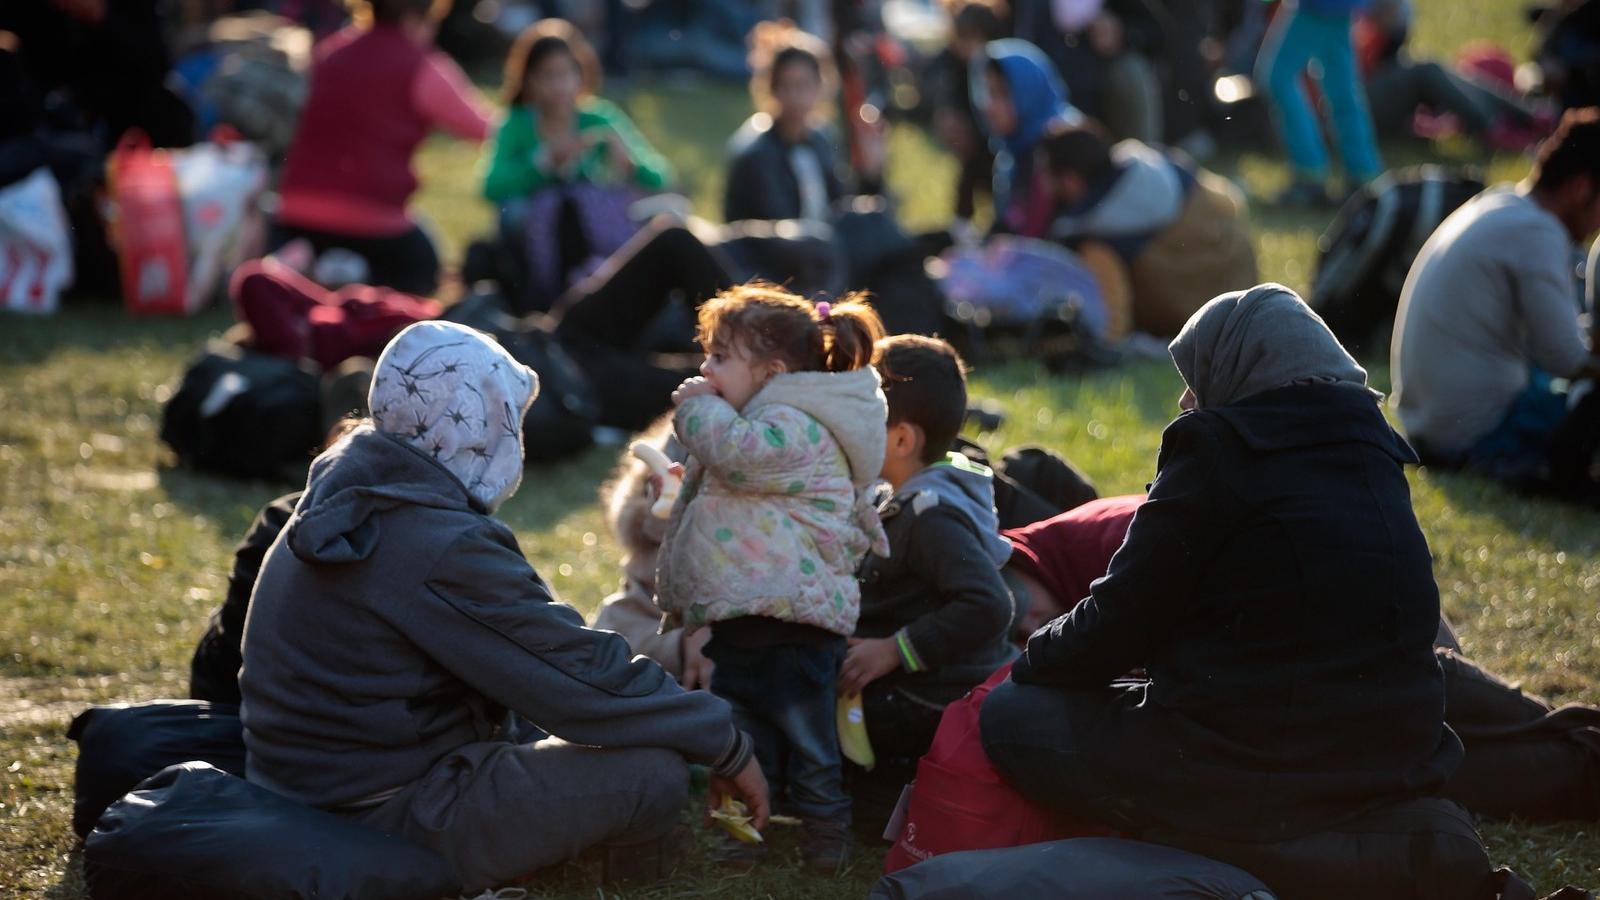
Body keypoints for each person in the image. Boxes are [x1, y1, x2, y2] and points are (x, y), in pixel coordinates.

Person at [239, 320, 769, 893]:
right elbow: (577, 679)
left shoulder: (355, 482)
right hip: (380, 816)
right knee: (651, 774)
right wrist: (725, 742)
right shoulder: (433, 538)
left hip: (303, 791)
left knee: (603, 727)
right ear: (477, 421)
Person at [981, 284, 1463, 847]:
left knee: (1012, 714)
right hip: (1387, 760)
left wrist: (1034, 656)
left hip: (1253, 769)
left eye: (1198, 375)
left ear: (1244, 365)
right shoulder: (1375, 450)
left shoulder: (1218, 448)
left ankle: (1184, 836)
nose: (1188, 400)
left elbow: (1118, 622)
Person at [655, 286, 888, 873]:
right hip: (749, 619)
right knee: (743, 742)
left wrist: (695, 409)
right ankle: (742, 834)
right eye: (706, 355)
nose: (705, 369)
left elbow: (740, 454)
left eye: (719, 358)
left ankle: (826, 833)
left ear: (772, 371)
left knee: (812, 746)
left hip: (797, 628)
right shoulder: (763, 417)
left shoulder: (796, 426)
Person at [1390, 108, 1600, 498]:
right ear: (1581, 188)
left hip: (1427, 424)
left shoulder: (1501, 204)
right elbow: (1566, 359)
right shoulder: (1538, 233)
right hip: (1476, 432)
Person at [842, 335, 1017, 795]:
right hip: (911, 683)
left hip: (935, 697)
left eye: (860, 417)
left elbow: (989, 605)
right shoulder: (894, 494)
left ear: (901, 439)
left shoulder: (931, 514)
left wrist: (892, 650)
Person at [271, 0, 493, 296]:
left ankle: (315, 272)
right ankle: (352, 279)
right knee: (424, 264)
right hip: (374, 222)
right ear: (421, 15)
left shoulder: (331, 53)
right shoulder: (419, 65)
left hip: (295, 214)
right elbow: (485, 130)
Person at [480, 18, 673, 300]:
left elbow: (659, 176)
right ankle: (537, 291)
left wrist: (628, 163)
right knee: (518, 209)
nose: (559, 85)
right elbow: (491, 186)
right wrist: (543, 163)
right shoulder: (517, 123)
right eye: (548, 75)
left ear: (581, 73)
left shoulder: (599, 119)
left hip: (593, 230)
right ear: (529, 79)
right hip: (538, 231)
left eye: (566, 73)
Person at [1038, 119, 1257, 338]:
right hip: (1243, 281)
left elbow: (1112, 324)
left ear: (1070, 181)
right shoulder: (1155, 161)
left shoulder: (1095, 231)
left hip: (1200, 316)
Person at [1356, 0, 1542, 148]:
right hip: (1351, 108)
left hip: (1361, 92)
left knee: (1440, 69)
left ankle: (1530, 115)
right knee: (1426, 70)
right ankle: (1495, 129)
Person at [723, 21, 857, 223]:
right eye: (786, 86)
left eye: (803, 86)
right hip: (772, 249)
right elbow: (777, 223)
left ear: (820, 87)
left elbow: (841, 206)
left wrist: (871, 176)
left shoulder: (821, 137)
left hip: (818, 247)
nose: (796, 98)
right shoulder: (756, 152)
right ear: (772, 89)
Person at [1255, 0, 1384, 208]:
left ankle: (1310, 171)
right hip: (1339, 6)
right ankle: (1363, 172)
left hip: (1318, 6)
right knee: (1340, 85)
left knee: (1278, 78)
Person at [973, 38, 1083, 237]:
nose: (990, 107)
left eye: (1002, 94)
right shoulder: (1012, 151)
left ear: (1028, 91)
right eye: (989, 93)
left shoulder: (1066, 148)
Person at [928, 1, 1006, 233]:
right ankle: (962, 227)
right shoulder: (955, 65)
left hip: (995, 143)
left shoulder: (1000, 67)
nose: (966, 47)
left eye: (972, 39)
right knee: (969, 175)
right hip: (974, 142)